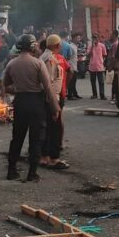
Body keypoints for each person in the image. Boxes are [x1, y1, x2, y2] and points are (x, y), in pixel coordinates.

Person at [3, 32, 58, 183]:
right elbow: (48, 88)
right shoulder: (38, 63)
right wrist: (55, 108)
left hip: (20, 102)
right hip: (36, 103)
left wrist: (20, 89)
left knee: (17, 138)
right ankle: (32, 173)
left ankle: (11, 171)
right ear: (33, 46)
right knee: (36, 139)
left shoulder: (11, 63)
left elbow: (6, 85)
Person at [39, 33, 69, 169]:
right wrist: (54, 105)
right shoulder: (51, 59)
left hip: (43, 98)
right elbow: (50, 84)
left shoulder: (42, 57)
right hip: (51, 99)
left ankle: (44, 155)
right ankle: (53, 158)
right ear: (57, 45)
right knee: (54, 128)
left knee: (45, 127)